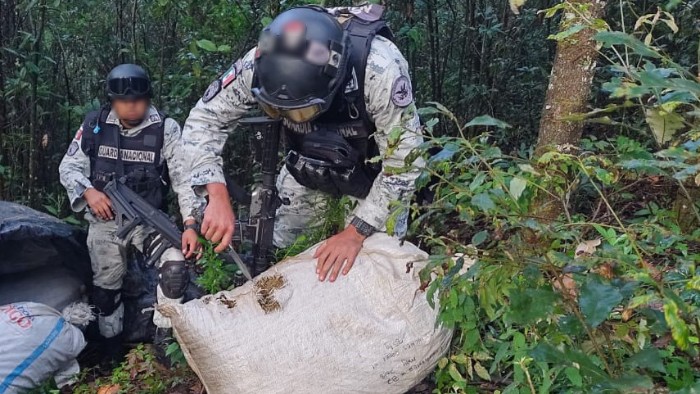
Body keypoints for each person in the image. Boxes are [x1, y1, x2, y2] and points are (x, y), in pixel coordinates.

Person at [181, 5, 423, 282]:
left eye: (299, 112)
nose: (288, 117)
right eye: (276, 110)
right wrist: (216, 192)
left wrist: (355, 232)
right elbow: (204, 120)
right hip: (306, 164)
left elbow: (405, 164)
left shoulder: (378, 70)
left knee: (374, 267)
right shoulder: (261, 60)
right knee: (281, 253)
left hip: (373, 177)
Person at [58, 64, 201, 360]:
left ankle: (165, 341)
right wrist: (89, 192)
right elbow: (68, 167)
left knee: (175, 269)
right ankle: (110, 353)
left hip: (148, 221)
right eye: (123, 101)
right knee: (105, 292)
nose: (131, 106)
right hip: (107, 220)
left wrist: (190, 224)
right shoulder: (95, 125)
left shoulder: (165, 128)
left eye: (138, 100)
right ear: (112, 100)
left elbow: (184, 179)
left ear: (148, 98)